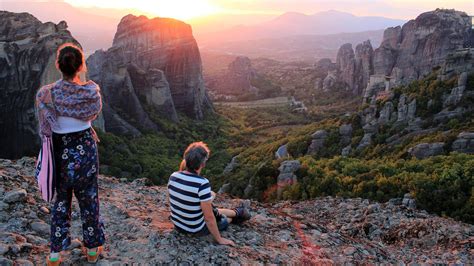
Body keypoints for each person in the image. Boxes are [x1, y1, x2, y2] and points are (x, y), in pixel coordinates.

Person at [36, 43, 105, 265]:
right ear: (81, 65)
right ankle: (93, 250)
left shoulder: (46, 94)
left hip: (60, 151)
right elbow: (93, 114)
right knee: (89, 199)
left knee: (61, 202)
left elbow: (44, 126)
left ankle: (55, 254)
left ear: (58, 65)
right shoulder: (91, 93)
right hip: (85, 150)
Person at [168, 142, 251, 245]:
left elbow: (176, 201)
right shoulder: (202, 183)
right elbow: (209, 218)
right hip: (195, 229)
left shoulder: (173, 176)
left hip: (178, 225)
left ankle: (238, 212)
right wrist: (219, 240)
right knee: (225, 220)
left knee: (210, 203)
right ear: (203, 164)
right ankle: (237, 214)